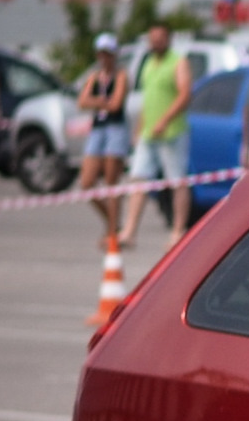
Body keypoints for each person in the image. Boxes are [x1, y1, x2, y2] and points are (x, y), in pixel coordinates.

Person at [118, 22, 191, 250]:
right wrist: (139, 128)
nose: (156, 42)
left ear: (168, 39)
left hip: (172, 133)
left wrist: (165, 120)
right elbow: (147, 100)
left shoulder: (178, 62)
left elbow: (185, 94)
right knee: (138, 179)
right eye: (153, 38)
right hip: (149, 133)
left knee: (176, 181)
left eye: (160, 38)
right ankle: (129, 232)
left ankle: (178, 231)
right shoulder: (148, 63)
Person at [75, 33, 130, 249]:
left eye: (108, 54)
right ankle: (112, 221)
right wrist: (101, 101)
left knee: (111, 182)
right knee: (87, 182)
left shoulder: (121, 75)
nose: (104, 58)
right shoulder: (95, 77)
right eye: (101, 54)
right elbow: (82, 101)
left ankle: (112, 232)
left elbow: (116, 104)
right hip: (98, 130)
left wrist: (96, 102)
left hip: (115, 129)